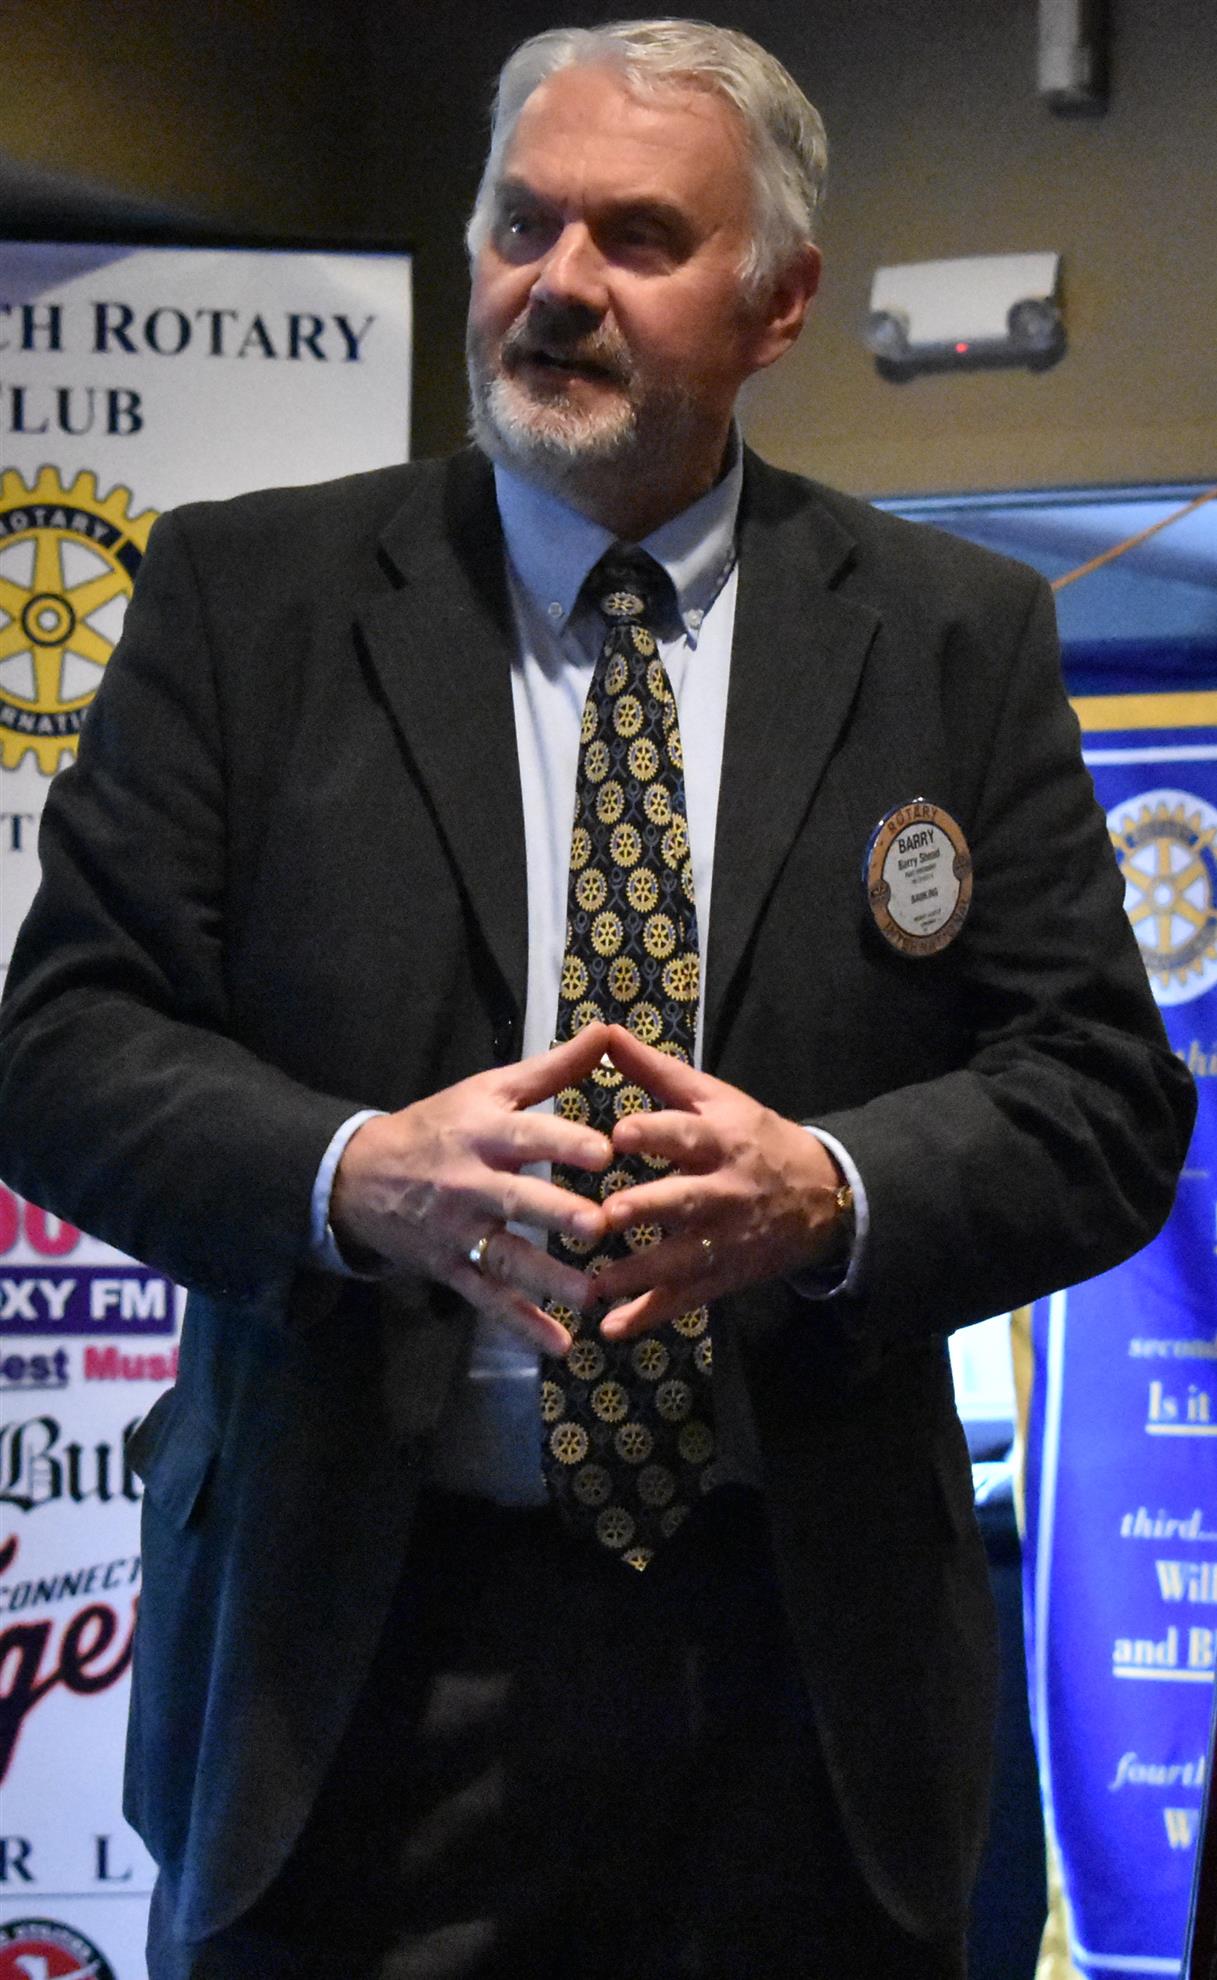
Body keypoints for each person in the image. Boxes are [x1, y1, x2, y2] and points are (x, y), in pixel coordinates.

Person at [0, 19, 1194, 1980]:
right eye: (519, 223)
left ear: (779, 301)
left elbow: (1099, 1097)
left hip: (799, 1676)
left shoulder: (948, 638)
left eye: (637, 237)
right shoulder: (249, 603)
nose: (555, 282)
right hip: (354, 1663)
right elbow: (60, 1050)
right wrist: (352, 1173)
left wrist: (831, 1190)